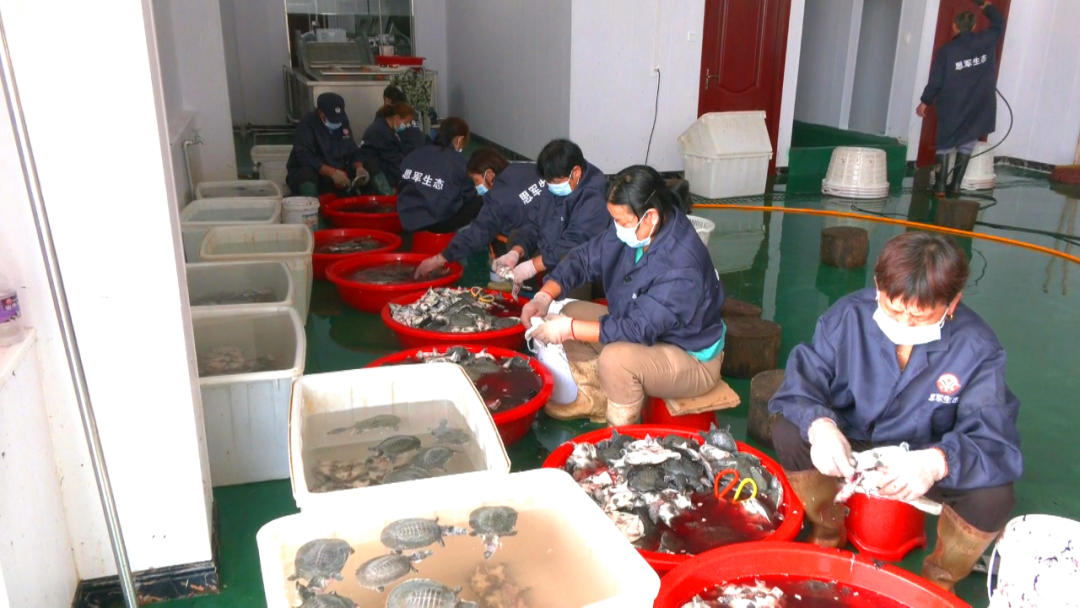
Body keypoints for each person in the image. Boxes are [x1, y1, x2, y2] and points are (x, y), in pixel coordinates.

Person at [768, 232, 1022, 594]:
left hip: (922, 459)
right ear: (878, 286)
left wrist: (937, 462)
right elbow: (801, 383)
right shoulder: (847, 317)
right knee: (790, 430)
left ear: (952, 303)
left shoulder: (978, 349)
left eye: (919, 317)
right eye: (893, 309)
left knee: (993, 495)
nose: (903, 323)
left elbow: (994, 438)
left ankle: (939, 581)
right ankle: (826, 531)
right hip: (852, 443)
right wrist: (821, 427)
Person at [521, 165, 727, 426]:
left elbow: (636, 328)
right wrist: (544, 296)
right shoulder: (638, 229)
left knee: (616, 360)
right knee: (568, 312)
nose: (617, 228)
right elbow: (584, 258)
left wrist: (568, 329)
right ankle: (593, 400)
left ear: (651, 216)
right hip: (653, 332)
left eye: (622, 222)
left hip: (691, 356)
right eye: (614, 220)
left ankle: (620, 432)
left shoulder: (681, 266)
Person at [493, 139, 608, 299]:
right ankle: (533, 286)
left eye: (556, 182)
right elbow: (535, 221)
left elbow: (574, 243)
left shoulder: (594, 198)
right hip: (556, 246)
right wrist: (515, 252)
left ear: (576, 172)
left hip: (593, 266)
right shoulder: (555, 184)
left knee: (570, 261)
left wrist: (532, 266)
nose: (552, 186)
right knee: (516, 237)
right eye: (549, 182)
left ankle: (567, 304)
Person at [917, 0, 1006, 197]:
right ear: (973, 26)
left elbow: (936, 80)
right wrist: (985, 5)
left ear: (954, 26)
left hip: (953, 105)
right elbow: (999, 22)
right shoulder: (987, 39)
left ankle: (940, 187)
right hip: (979, 105)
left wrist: (925, 102)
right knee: (968, 141)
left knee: (944, 143)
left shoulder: (947, 51)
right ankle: (955, 186)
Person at [415, 149, 545, 277]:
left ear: (489, 174)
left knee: (496, 234)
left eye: (476, 180)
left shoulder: (497, 197)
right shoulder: (527, 167)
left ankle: (511, 275)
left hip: (541, 245)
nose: (476, 187)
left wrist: (440, 258)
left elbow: (478, 233)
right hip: (551, 224)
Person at [395, 117, 479, 234]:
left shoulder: (415, 153)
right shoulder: (459, 162)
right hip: (437, 223)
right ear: (459, 140)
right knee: (479, 202)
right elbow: (468, 195)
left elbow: (401, 180)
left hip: (406, 217)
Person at [285, 92, 368, 197]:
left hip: (337, 173)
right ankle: (312, 205)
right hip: (315, 173)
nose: (337, 122)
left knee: (369, 163)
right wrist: (331, 172)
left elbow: (352, 150)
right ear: (321, 113)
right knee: (306, 174)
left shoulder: (343, 122)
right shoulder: (307, 124)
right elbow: (304, 156)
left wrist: (359, 167)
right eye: (332, 119)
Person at [358, 102, 415, 195]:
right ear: (397, 118)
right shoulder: (380, 131)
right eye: (406, 123)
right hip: (376, 178)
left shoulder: (386, 128)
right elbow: (393, 159)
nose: (406, 126)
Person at [379, 85, 428, 155]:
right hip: (421, 151)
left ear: (387, 100)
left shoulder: (385, 116)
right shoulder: (411, 113)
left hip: (405, 154)